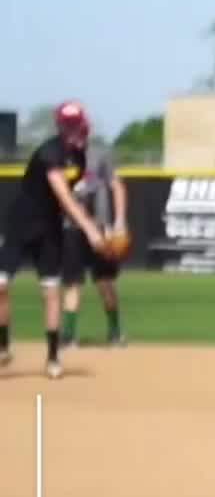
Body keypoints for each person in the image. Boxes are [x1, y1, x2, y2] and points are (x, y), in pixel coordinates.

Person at [0, 102, 107, 379]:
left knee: (51, 291)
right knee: (0, 286)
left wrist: (89, 223)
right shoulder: (49, 152)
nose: (71, 128)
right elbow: (63, 196)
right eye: (66, 123)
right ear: (60, 126)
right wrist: (90, 229)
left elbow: (69, 198)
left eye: (75, 123)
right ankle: (2, 345)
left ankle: (53, 356)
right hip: (20, 224)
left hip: (49, 230)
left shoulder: (80, 157)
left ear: (83, 124)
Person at [60, 145, 129, 348]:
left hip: (100, 226)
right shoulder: (59, 156)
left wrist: (119, 221)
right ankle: (69, 335)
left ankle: (115, 333)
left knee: (105, 281)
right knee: (73, 283)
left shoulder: (100, 154)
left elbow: (117, 186)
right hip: (71, 227)